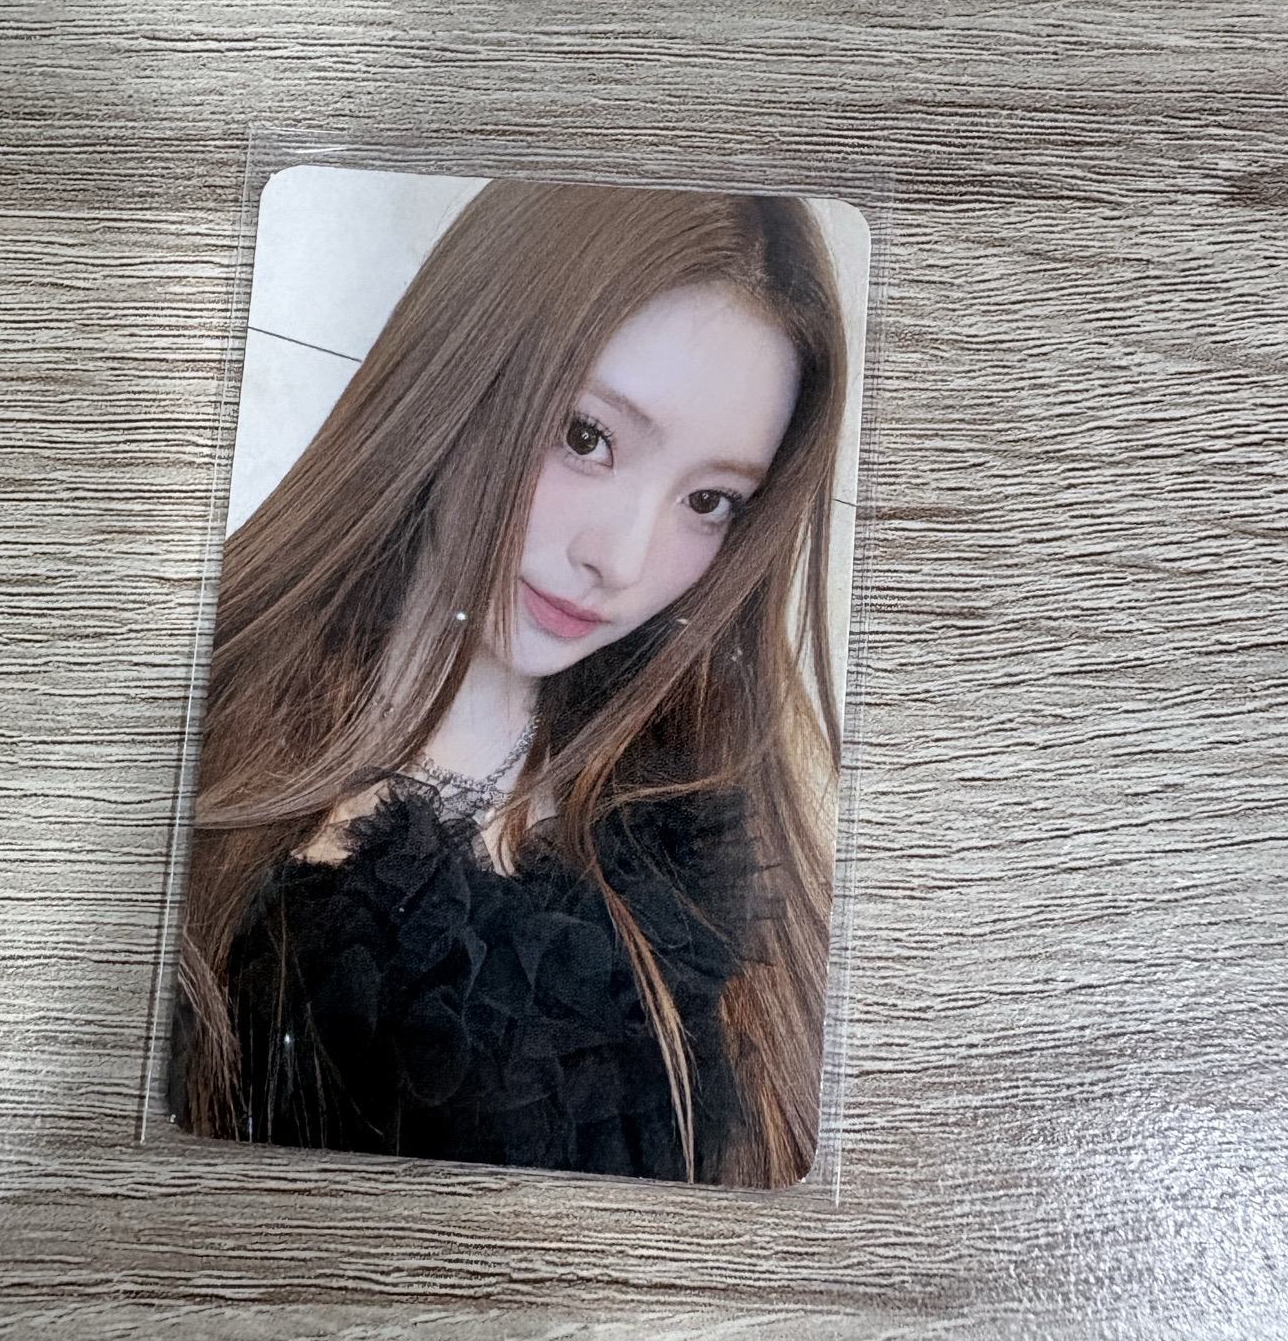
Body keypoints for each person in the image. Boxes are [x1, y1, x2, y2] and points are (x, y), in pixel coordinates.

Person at [170, 179, 848, 1187]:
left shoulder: (707, 831)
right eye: (586, 436)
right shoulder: (174, 716)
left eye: (709, 500)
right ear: (464, 363)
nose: (621, 560)